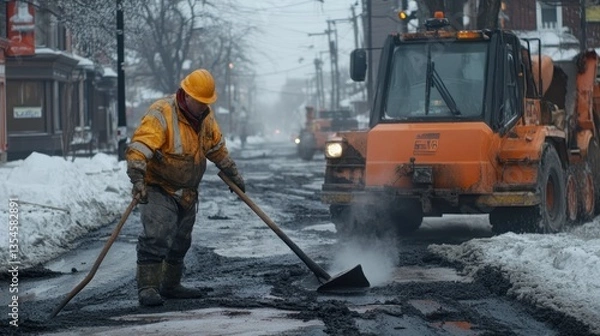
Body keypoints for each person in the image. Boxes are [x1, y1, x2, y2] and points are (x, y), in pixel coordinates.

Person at [125, 68, 245, 307]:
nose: (203, 106)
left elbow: (216, 149)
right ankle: (148, 287)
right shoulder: (162, 112)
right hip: (160, 186)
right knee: (157, 235)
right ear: (186, 95)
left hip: (188, 190)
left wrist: (233, 174)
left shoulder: (206, 119)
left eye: (206, 102)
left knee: (181, 240)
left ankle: (171, 285)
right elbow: (140, 146)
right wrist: (137, 177)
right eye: (199, 102)